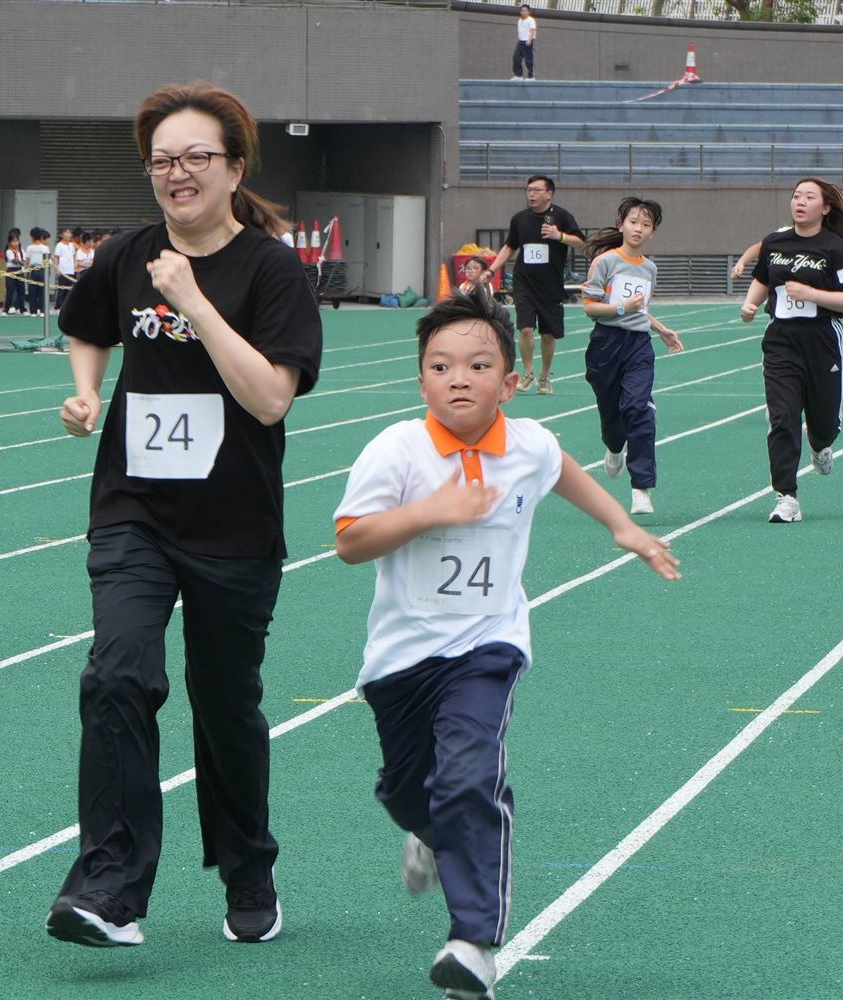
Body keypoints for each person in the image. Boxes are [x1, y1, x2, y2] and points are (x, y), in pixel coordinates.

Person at [332, 289, 681, 1000]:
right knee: (407, 791)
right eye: (440, 366)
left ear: (510, 382)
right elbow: (351, 542)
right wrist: (431, 510)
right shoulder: (396, 450)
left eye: (478, 365)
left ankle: (473, 943)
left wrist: (622, 526)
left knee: (469, 777)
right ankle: (429, 830)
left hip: (488, 647)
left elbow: (564, 471)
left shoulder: (528, 445)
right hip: (401, 659)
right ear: (421, 380)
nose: (458, 379)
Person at [47, 81, 323, 950]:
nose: (178, 172)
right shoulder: (126, 256)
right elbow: (87, 327)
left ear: (234, 169)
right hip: (133, 507)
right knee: (117, 675)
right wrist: (86, 392)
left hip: (233, 522)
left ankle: (248, 867)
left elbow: (270, 398)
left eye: (197, 156)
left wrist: (194, 301)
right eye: (163, 159)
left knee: (225, 705)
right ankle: (109, 888)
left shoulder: (272, 271)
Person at [739, 177, 843, 524]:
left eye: (809, 197)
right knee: (782, 417)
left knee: (824, 423)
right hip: (781, 341)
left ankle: (820, 444)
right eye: (796, 196)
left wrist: (811, 294)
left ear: (825, 208)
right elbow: (763, 279)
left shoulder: (836, 248)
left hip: (822, 340)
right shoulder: (774, 242)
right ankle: (786, 497)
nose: (800, 202)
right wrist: (750, 304)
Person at [579, 198, 684, 516]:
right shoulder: (605, 262)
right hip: (606, 344)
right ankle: (614, 448)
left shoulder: (649, 269)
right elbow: (590, 307)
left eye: (646, 224)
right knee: (612, 418)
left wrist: (661, 330)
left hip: (638, 346)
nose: (638, 228)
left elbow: (642, 309)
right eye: (634, 221)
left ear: (653, 232)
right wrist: (622, 308)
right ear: (622, 224)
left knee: (639, 409)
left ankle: (641, 488)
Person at [482, 175, 583, 395]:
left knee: (548, 334)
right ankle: (528, 373)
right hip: (524, 282)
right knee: (525, 328)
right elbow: (509, 247)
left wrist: (559, 235)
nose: (531, 194)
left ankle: (544, 376)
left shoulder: (562, 216)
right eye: (528, 190)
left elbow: (581, 242)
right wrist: (491, 269)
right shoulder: (520, 219)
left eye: (536, 190)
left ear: (549, 193)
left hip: (550, 285)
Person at [25, 228, 51, 316]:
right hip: (42, 270)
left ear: (32, 237)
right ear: (41, 237)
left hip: (32, 270)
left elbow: (27, 260)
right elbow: (47, 261)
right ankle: (42, 310)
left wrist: (26, 271)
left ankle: (33, 311)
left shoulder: (29, 248)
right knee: (42, 291)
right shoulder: (45, 248)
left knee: (32, 291)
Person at [512, 5, 537, 81]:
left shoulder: (531, 20)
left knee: (528, 60)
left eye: (525, 10)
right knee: (516, 58)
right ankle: (518, 75)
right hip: (520, 42)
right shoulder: (520, 20)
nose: (523, 12)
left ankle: (531, 76)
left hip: (527, 41)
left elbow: (532, 30)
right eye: (522, 10)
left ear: (528, 12)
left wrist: (529, 40)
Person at [4, 229, 26, 315]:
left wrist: (21, 262)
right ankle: (6, 309)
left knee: (21, 290)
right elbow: (14, 261)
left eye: (17, 241)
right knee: (10, 291)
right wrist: (16, 257)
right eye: (13, 241)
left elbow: (23, 262)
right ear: (10, 242)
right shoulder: (8, 251)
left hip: (20, 271)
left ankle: (22, 309)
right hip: (11, 270)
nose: (15, 243)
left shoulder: (22, 251)